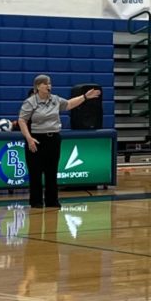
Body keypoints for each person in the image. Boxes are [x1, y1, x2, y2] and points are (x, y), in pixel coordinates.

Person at [18, 75, 101, 209]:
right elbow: (22, 120)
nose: (48, 86)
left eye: (49, 83)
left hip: (53, 139)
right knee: (35, 173)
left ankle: (52, 200)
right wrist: (29, 138)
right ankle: (36, 201)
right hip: (36, 139)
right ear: (38, 86)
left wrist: (84, 97)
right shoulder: (30, 102)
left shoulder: (55, 99)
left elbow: (68, 104)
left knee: (52, 171)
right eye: (45, 84)